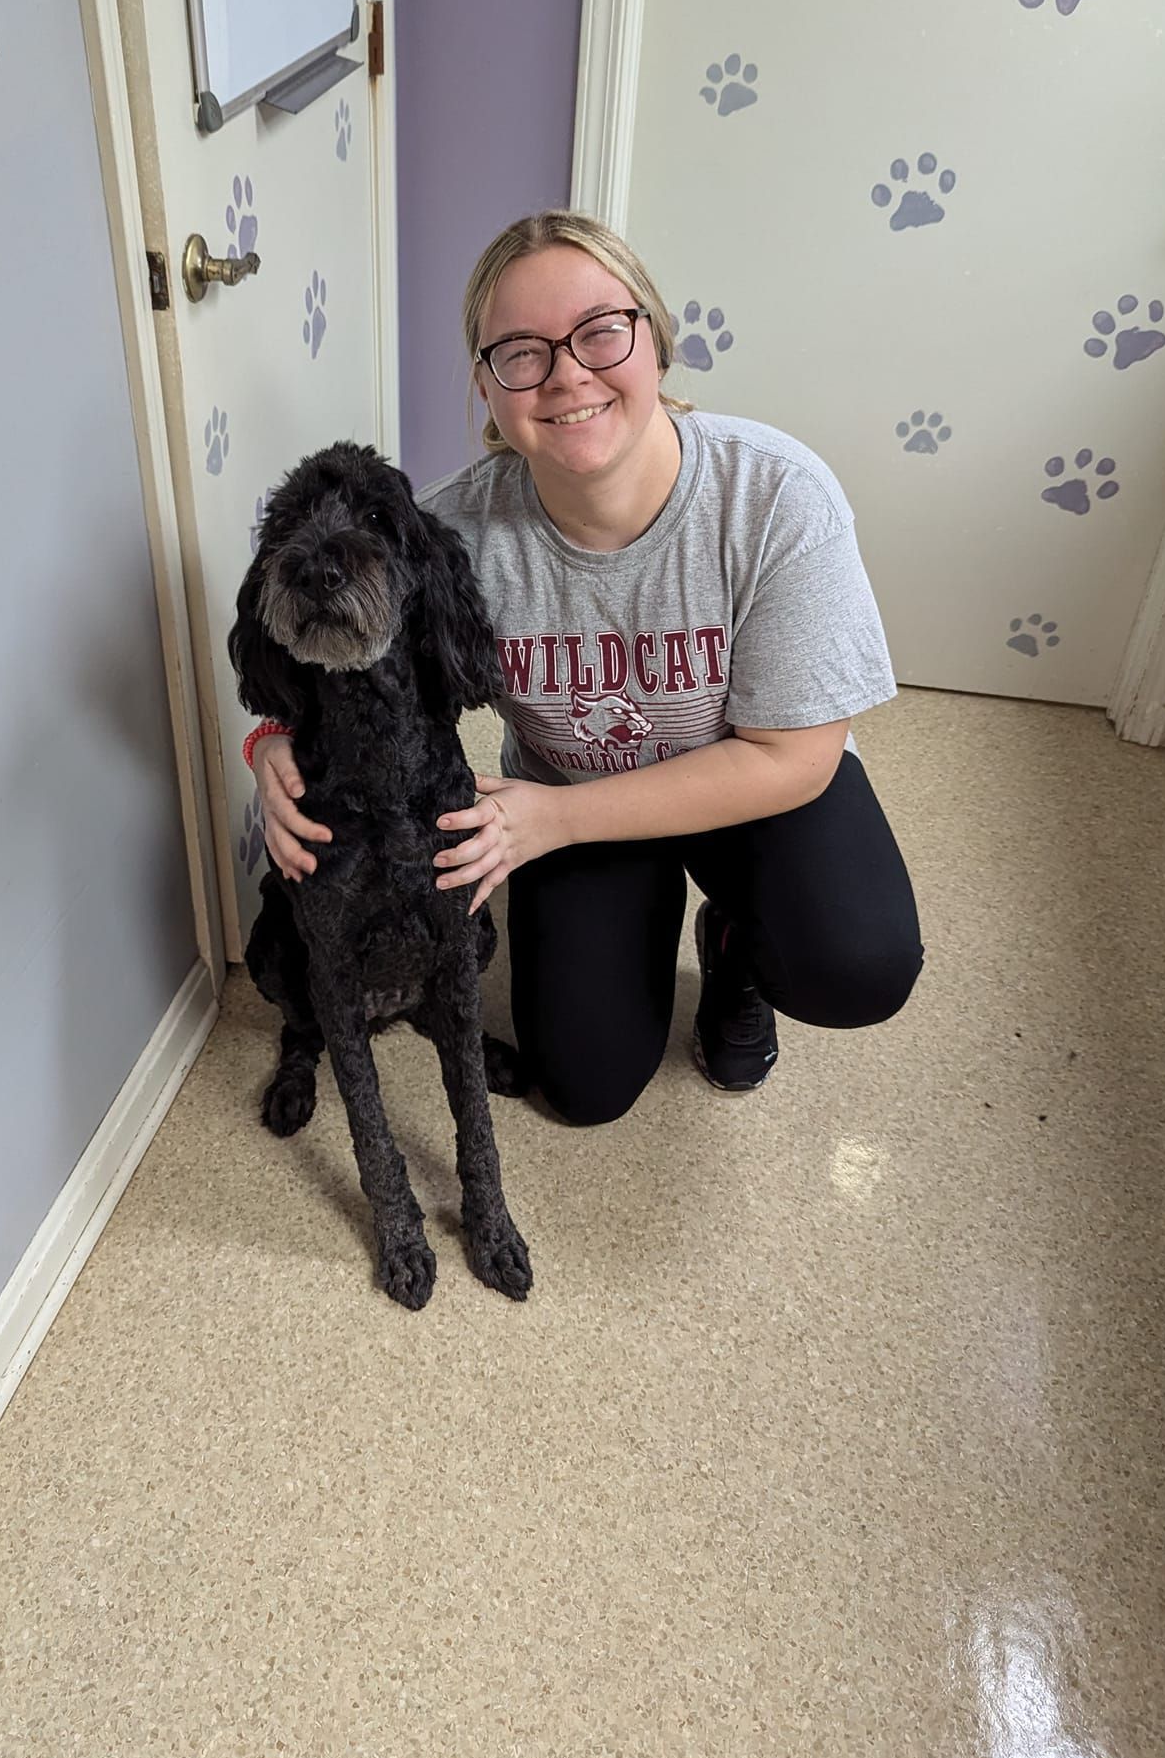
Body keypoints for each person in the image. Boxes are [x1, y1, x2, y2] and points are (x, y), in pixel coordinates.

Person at [246, 210, 923, 1126]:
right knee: (586, 1084)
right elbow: (333, 646)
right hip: (578, 809)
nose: (567, 374)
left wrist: (552, 819)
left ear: (655, 339)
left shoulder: (775, 497)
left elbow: (795, 758)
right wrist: (271, 743)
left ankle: (734, 948)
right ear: (487, 386)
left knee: (859, 963)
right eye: (521, 352)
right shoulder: (446, 536)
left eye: (601, 332)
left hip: (746, 794)